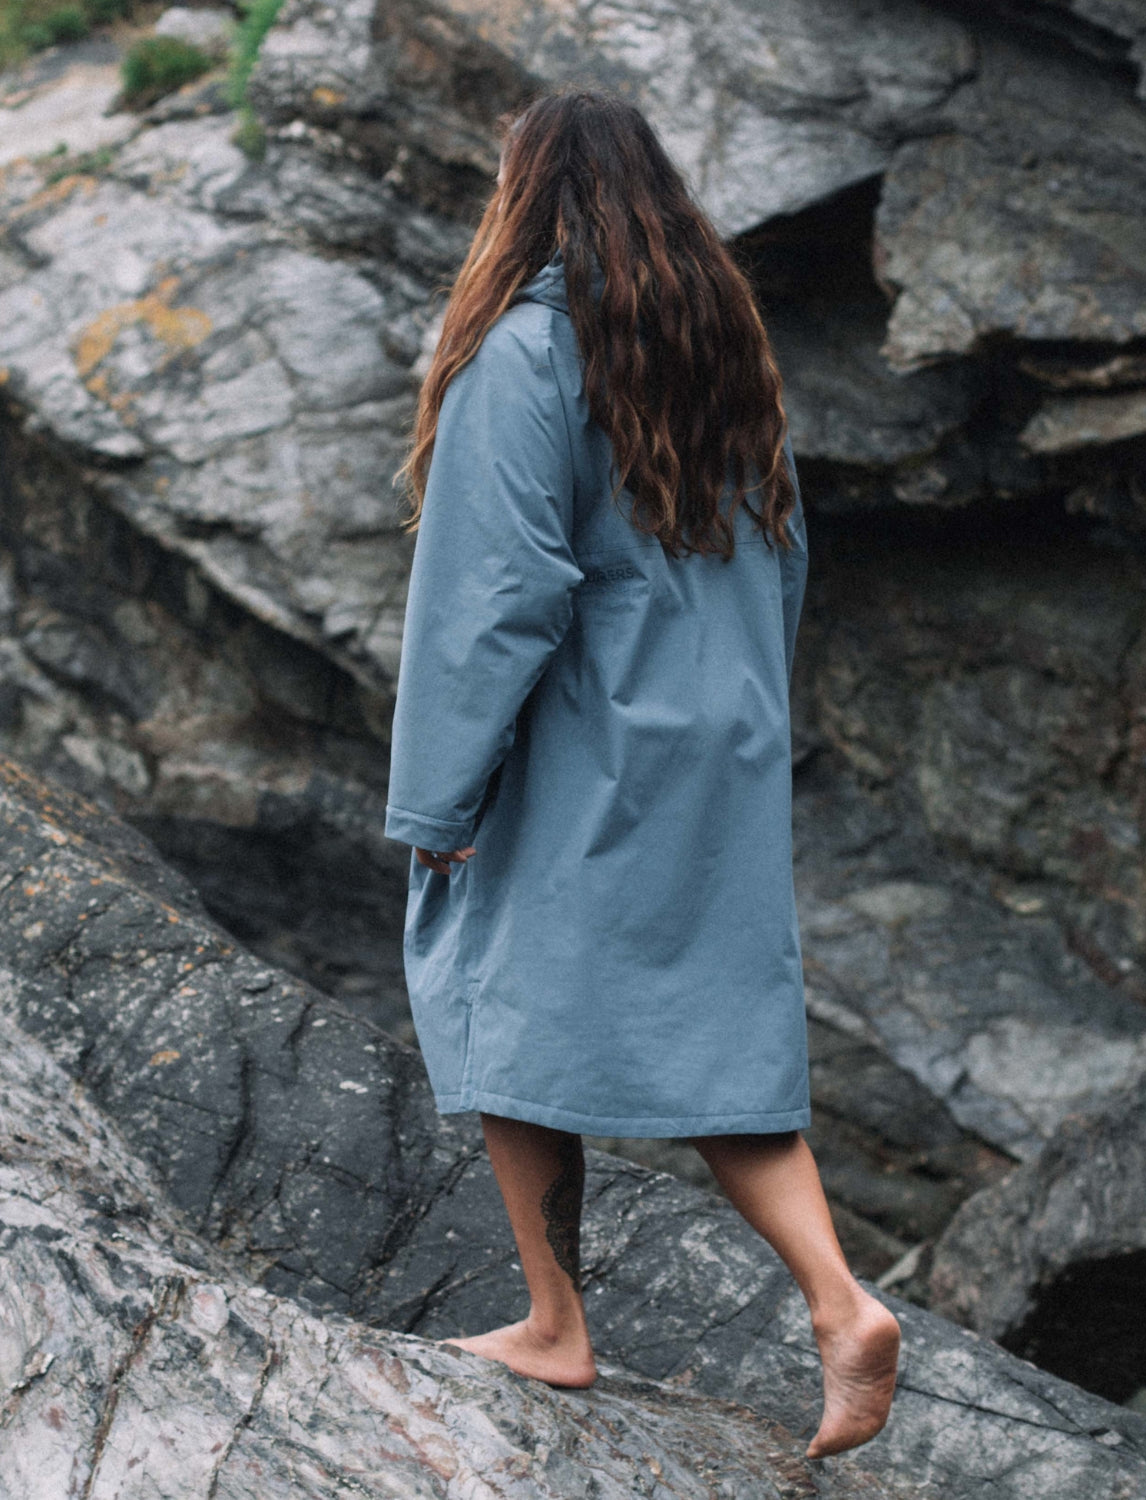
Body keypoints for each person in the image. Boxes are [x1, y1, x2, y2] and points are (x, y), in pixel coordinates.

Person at [383, 85, 901, 1459]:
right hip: (719, 741)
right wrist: (735, 714)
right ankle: (842, 1305)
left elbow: (496, 596)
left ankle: (555, 1324)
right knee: (717, 1035)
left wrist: (439, 799)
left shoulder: (527, 353)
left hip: (582, 744)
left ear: (526, 196)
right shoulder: (719, 354)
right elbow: (782, 559)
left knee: (491, 979)